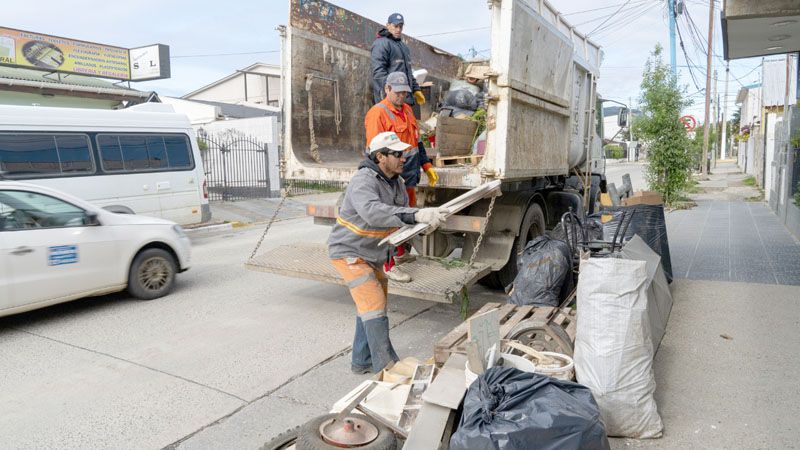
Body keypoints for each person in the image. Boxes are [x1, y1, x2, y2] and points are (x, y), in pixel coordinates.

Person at [328, 131, 448, 374]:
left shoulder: (397, 182)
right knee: (374, 303)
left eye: (403, 153)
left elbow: (400, 218)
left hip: (373, 254)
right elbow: (373, 213)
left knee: (371, 307)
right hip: (349, 252)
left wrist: (421, 226)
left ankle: (361, 361)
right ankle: (388, 368)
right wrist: (414, 215)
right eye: (397, 154)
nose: (404, 158)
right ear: (381, 157)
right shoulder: (364, 181)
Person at [365, 71, 439, 282]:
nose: (401, 96)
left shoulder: (407, 110)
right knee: (391, 220)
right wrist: (389, 178)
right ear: (387, 89)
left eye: (405, 92)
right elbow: (376, 152)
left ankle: (399, 252)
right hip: (391, 176)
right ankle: (388, 265)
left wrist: (426, 165)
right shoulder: (377, 114)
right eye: (397, 92)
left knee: (407, 217)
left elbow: (417, 141)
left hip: (410, 174)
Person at [371, 12, 426, 107]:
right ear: (388, 25)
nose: (398, 29)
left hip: (404, 98)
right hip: (390, 99)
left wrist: (416, 89)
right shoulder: (381, 44)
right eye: (395, 26)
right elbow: (378, 72)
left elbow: (408, 72)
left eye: (401, 26)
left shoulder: (404, 47)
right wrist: (392, 92)